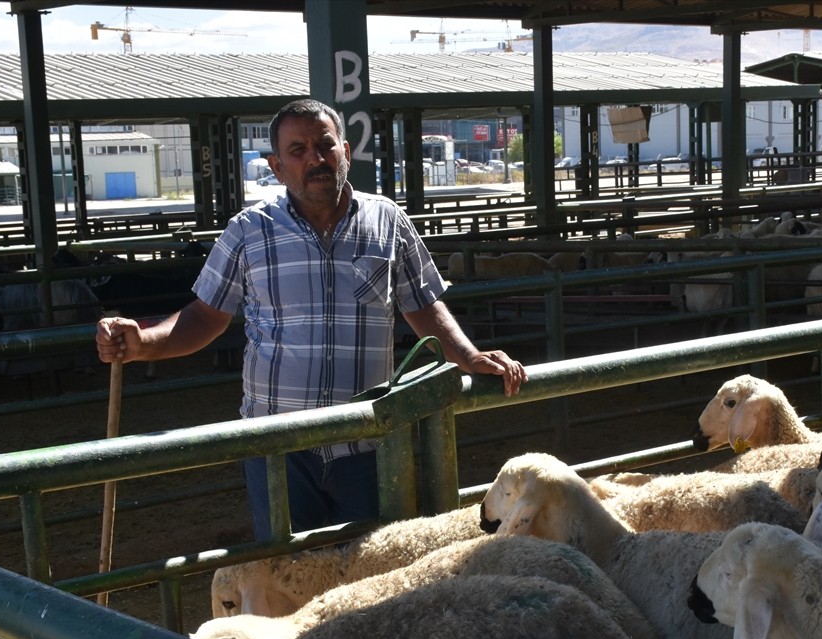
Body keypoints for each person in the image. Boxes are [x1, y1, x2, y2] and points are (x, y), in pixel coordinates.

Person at [96, 98, 526, 540]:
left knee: (373, 576)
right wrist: (144, 342)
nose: (315, 159)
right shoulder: (249, 230)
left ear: (345, 150)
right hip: (278, 447)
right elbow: (205, 316)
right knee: (286, 578)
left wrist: (468, 356)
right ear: (276, 166)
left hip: (368, 441)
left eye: (324, 146)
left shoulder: (387, 221)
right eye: (297, 150)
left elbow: (423, 307)